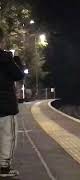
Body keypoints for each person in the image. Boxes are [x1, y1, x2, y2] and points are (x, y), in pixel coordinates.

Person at [0, 27, 24, 177]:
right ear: (1, 41)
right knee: (7, 136)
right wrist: (17, 61)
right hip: (5, 106)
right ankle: (4, 168)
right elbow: (18, 75)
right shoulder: (6, 58)